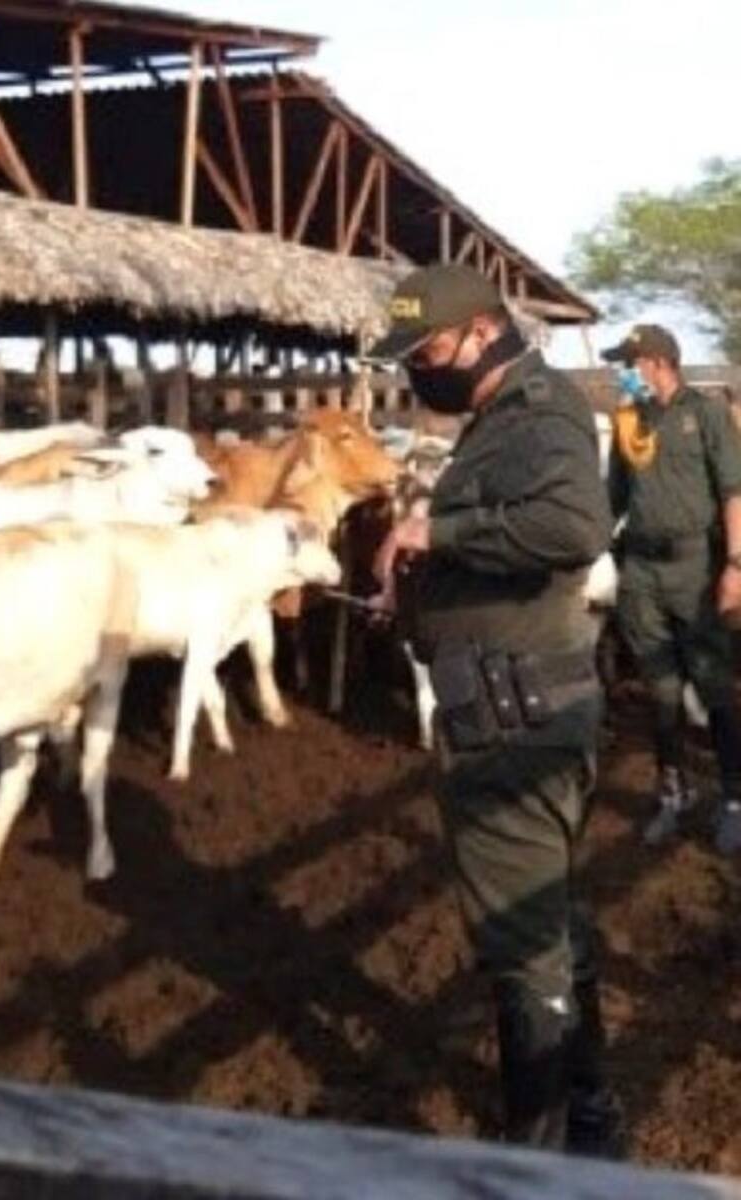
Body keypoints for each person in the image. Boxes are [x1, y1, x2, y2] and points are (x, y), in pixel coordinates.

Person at [369, 263, 621, 1154]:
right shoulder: (499, 418)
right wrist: (422, 587)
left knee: (523, 945)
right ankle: (588, 1122)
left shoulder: (538, 412)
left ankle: (543, 1162)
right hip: (515, 699)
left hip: (513, 719)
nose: (418, 370)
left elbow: (574, 528)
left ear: (483, 333)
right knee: (546, 922)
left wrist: (437, 532)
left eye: (429, 349)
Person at [602, 324, 741, 851]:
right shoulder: (627, 426)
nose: (624, 374)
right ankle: (672, 794)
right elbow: (609, 503)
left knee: (713, 685)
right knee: (660, 694)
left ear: (657, 363)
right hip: (641, 573)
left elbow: (734, 492)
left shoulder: (704, 416)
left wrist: (735, 565)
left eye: (629, 364)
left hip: (695, 569)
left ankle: (732, 798)